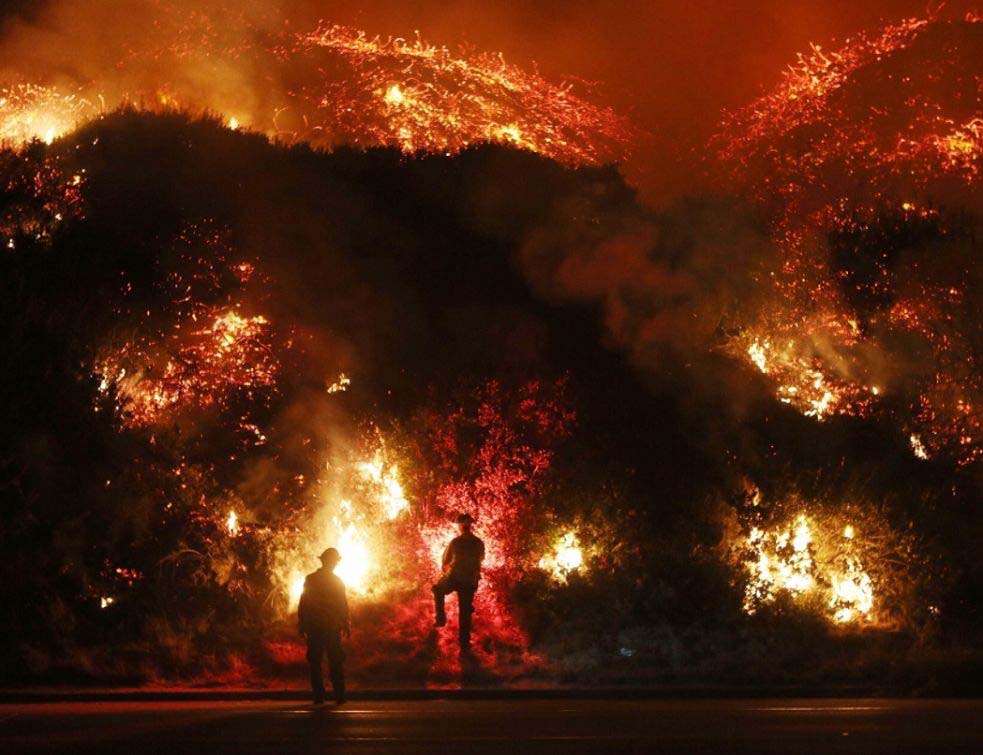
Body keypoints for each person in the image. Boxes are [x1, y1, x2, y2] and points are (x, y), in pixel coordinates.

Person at [298, 547, 350, 705]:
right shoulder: (336, 581)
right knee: (334, 660)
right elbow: (342, 605)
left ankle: (319, 696)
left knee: (316, 661)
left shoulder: (312, 579)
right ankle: (339, 695)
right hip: (330, 627)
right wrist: (345, 623)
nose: (334, 564)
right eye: (334, 561)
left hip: (316, 627)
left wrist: (302, 624)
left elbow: (304, 603)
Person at [433, 513, 485, 650]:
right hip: (470, 582)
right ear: (470, 525)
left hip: (454, 578)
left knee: (438, 589)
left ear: (460, 526)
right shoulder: (479, 543)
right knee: (465, 612)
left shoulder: (455, 542)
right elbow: (480, 561)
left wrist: (446, 574)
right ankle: (464, 644)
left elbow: (445, 561)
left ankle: (440, 619)